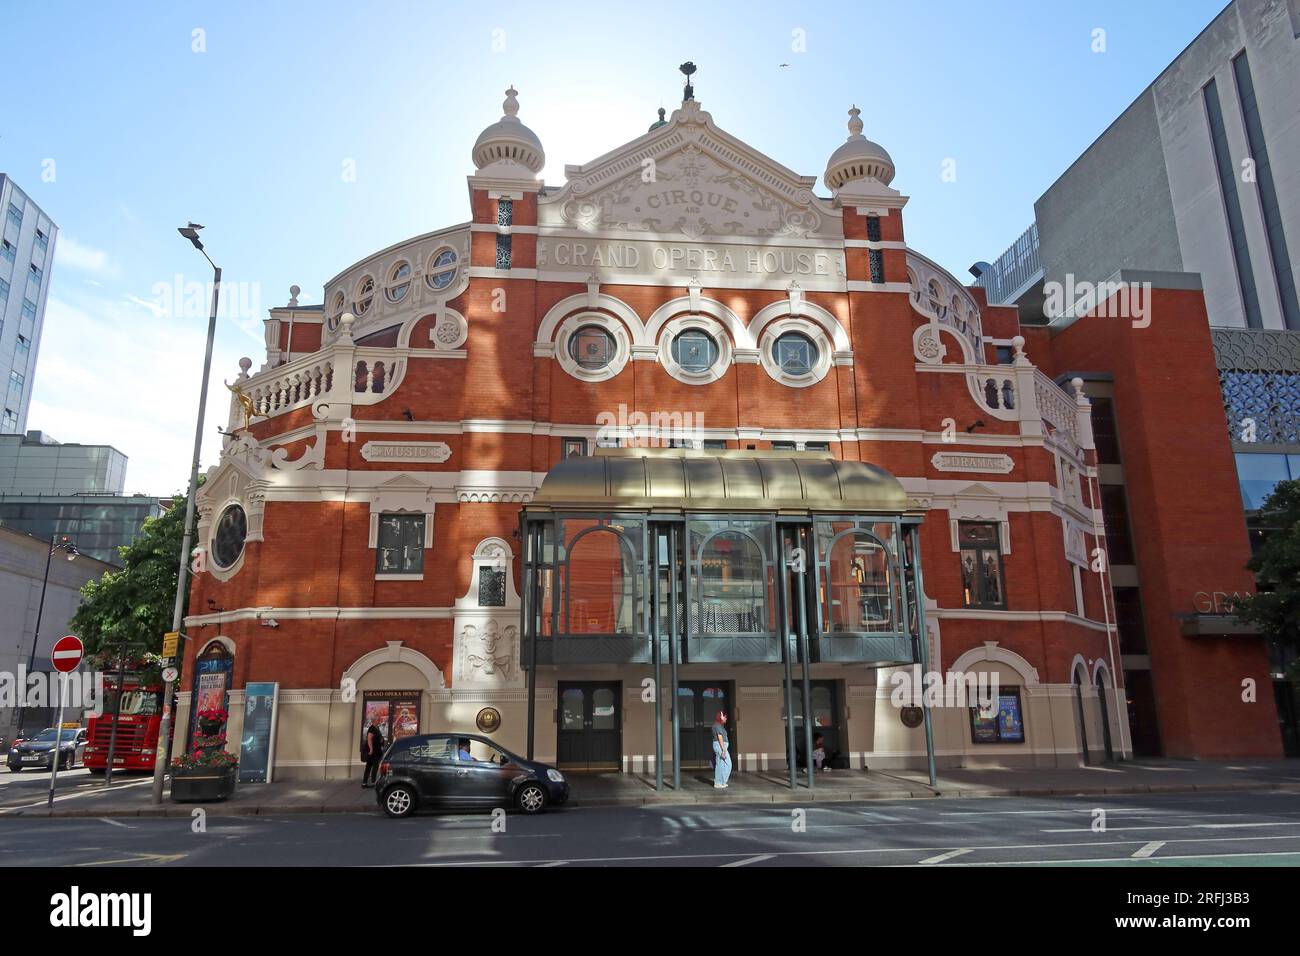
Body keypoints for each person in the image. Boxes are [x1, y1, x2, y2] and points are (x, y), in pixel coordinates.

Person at [711, 710, 731, 789]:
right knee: (728, 764)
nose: (726, 719)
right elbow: (720, 737)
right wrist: (724, 750)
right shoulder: (717, 725)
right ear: (720, 717)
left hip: (720, 746)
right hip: (720, 746)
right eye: (724, 717)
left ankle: (720, 782)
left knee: (721, 764)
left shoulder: (719, 725)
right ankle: (720, 782)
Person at [361, 723, 385, 788]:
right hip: (373, 752)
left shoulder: (377, 727)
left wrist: (381, 740)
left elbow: (378, 738)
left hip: (376, 751)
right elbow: (369, 739)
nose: (379, 721)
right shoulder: (372, 728)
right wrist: (371, 749)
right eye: (377, 719)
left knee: (370, 766)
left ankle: (365, 782)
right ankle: (372, 782)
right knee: (373, 766)